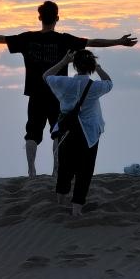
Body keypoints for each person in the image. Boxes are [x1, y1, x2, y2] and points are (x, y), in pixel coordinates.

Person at [0, 1, 137, 177]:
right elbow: (93, 42)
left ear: (40, 17)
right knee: (58, 131)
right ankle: (56, 169)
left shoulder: (28, 38)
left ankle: (31, 170)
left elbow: (3, 39)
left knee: (32, 133)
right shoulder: (64, 40)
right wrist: (119, 41)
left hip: (35, 93)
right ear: (57, 18)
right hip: (58, 94)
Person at [43, 49, 112, 216]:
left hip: (67, 131)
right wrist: (99, 68)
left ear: (75, 66)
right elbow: (109, 82)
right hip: (89, 134)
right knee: (85, 171)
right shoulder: (95, 87)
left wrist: (63, 62)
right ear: (91, 66)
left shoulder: (64, 83)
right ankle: (77, 209)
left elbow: (46, 76)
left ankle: (60, 202)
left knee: (65, 168)